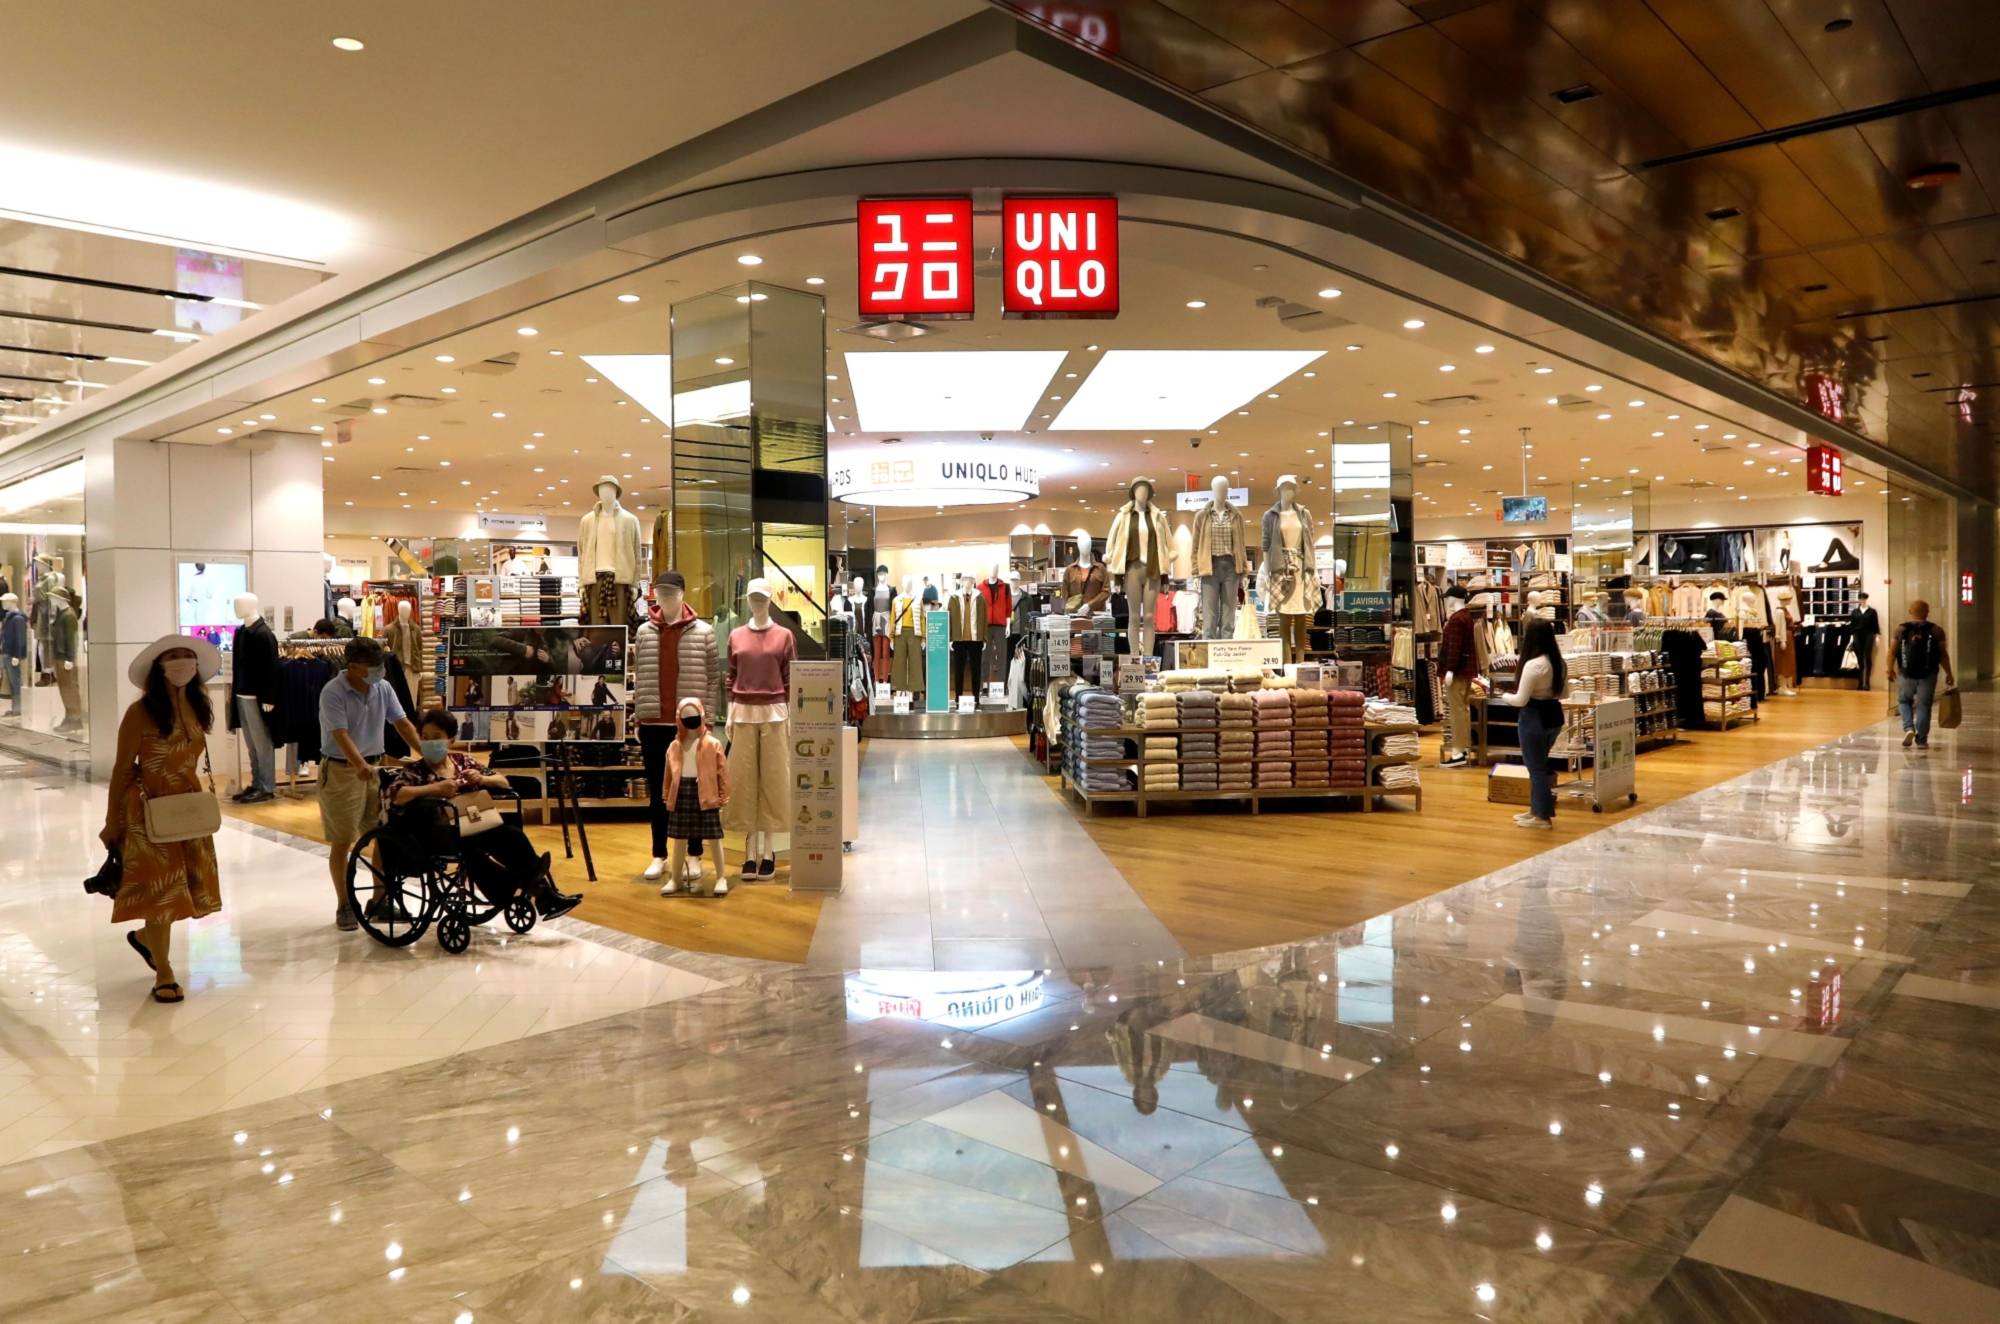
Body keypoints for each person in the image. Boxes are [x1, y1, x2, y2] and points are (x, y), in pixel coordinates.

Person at [101, 636, 225, 1002]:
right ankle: (165, 971)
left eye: (188, 657)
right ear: (159, 667)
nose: (183, 663)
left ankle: (145, 939)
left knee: (182, 888)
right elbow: (122, 770)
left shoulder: (198, 705)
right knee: (163, 892)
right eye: (173, 657)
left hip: (187, 809)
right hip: (147, 808)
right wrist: (112, 821)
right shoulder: (140, 713)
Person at [389, 709, 580, 919]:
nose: (429, 743)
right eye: (424, 738)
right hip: (440, 833)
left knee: (510, 834)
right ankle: (520, 886)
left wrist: (481, 778)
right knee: (472, 851)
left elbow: (503, 781)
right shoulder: (416, 770)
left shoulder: (462, 761)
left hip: (476, 823)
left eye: (436, 738)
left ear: (450, 740)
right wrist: (434, 789)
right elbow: (397, 794)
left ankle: (542, 891)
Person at [318, 637, 423, 930]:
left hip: (375, 768)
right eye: (373, 666)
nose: (380, 670)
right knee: (343, 839)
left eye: (380, 664)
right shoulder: (333, 692)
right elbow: (341, 734)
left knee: (382, 834)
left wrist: (425, 753)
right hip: (341, 770)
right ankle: (344, 904)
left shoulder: (383, 687)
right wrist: (359, 765)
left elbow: (402, 723)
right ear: (352, 666)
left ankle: (380, 899)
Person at [1494, 617, 1567, 830]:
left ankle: (1543, 816)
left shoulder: (1533, 665)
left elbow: (1520, 700)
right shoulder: (1558, 662)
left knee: (1535, 768)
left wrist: (1504, 695)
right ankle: (1536, 810)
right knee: (1539, 765)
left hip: (1533, 717)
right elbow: (1564, 693)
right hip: (1553, 716)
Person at [659, 696, 730, 897]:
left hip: (706, 794)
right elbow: (668, 773)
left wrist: (723, 796)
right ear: (679, 718)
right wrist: (666, 794)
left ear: (701, 715)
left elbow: (722, 772)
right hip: (682, 793)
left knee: (715, 838)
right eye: (686, 716)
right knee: (679, 839)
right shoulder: (674, 746)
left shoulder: (713, 743)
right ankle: (675, 878)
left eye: (694, 716)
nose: (690, 721)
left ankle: (721, 877)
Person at [1888, 599, 1953, 750]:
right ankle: (1922, 740)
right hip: (1928, 674)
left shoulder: (1900, 629)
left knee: (1904, 701)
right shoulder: (1937, 630)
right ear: (1927, 612)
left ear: (1910, 612)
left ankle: (1909, 728)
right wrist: (1949, 673)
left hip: (1906, 673)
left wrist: (1889, 669)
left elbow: (1891, 652)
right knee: (1924, 705)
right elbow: (1943, 655)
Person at [1437, 585, 1477, 767]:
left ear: (1454, 598)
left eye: (1447, 598)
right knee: (1462, 709)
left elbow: (1454, 647)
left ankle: (1458, 752)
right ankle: (1463, 748)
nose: (1446, 601)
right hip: (1465, 671)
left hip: (1458, 672)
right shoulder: (1467, 618)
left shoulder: (1456, 620)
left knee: (1457, 711)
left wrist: (1450, 670)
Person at [0, 591, 26, 718]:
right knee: (11, 682)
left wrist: (17, 655)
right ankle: (14, 708)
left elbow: (20, 639)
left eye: (5, 602)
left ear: (12, 602)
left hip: (11, 654)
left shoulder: (18, 618)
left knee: (15, 681)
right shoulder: (9, 617)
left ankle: (17, 709)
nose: (3, 604)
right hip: (6, 652)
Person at [1849, 592, 1881, 690]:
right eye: (1860, 598)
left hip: (1869, 635)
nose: (1862, 600)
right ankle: (1860, 682)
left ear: (1866, 599)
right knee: (1859, 658)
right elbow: (1852, 626)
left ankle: (1867, 683)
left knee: (1867, 657)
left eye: (1864, 598)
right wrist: (1851, 638)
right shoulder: (1854, 612)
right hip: (1857, 635)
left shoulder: (1872, 611)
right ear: (1859, 599)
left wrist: (1877, 636)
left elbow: (1875, 624)